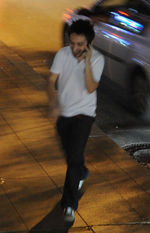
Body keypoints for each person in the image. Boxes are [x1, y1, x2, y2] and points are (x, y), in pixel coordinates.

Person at [47, 19, 105, 223]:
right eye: (72, 43)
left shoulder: (97, 59)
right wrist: (53, 102)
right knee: (71, 155)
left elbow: (90, 88)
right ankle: (81, 171)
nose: (75, 48)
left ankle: (69, 204)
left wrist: (87, 62)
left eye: (80, 44)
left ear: (89, 43)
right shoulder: (63, 54)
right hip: (64, 113)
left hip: (84, 114)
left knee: (73, 158)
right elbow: (51, 80)